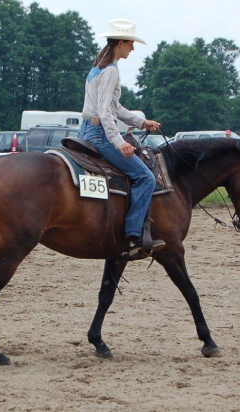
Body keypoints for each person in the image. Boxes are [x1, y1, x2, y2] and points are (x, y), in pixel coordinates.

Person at [78, 19, 165, 260]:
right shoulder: (111, 71)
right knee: (146, 177)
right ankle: (133, 236)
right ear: (119, 42)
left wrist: (140, 122)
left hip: (85, 131)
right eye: (130, 43)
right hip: (100, 135)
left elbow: (114, 107)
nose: (132, 48)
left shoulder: (98, 68)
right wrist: (119, 142)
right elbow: (106, 112)